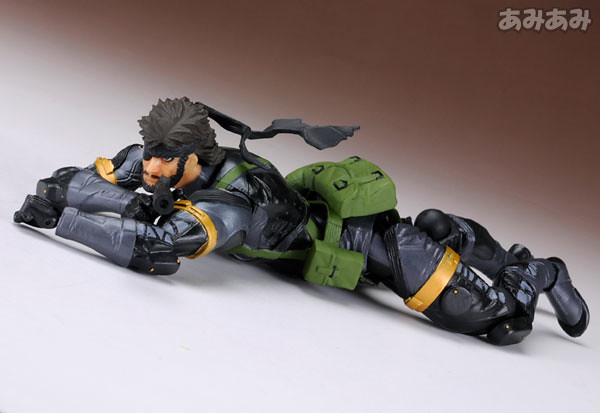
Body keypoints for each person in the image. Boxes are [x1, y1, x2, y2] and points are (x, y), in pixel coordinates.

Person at [13, 97, 589, 346]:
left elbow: (156, 249)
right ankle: (448, 231)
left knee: (493, 319)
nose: (150, 168)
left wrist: (64, 220)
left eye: (164, 159)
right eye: (149, 154)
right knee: (437, 231)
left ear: (192, 157)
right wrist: (56, 193)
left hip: (368, 244)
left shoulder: (232, 201)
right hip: (321, 236)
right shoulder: (159, 160)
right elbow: (82, 178)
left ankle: (539, 271)